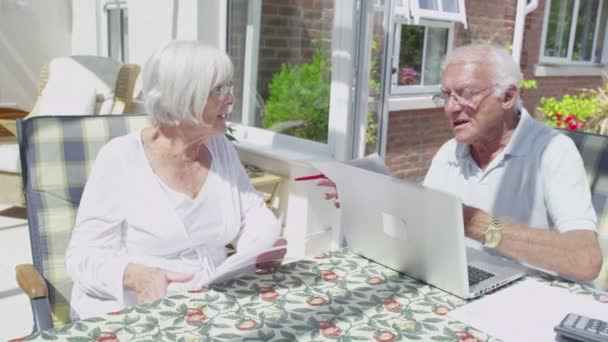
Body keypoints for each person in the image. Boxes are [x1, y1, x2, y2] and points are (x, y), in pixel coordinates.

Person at [319, 44, 603, 282]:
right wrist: (372, 200)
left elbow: (585, 259)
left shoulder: (553, 152)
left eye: (466, 94)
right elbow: (423, 235)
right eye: (446, 95)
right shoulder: (449, 152)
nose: (450, 108)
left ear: (507, 96)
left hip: (528, 300)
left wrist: (477, 224)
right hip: (462, 286)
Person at [66, 41, 286, 320]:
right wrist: (135, 276)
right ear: (183, 96)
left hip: (209, 303)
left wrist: (262, 247)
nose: (231, 99)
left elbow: (253, 214)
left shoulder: (221, 149)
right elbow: (83, 256)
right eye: (219, 89)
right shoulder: (120, 157)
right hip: (136, 309)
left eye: (229, 88)